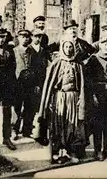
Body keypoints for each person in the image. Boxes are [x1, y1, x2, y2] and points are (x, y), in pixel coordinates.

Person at [37, 34, 87, 164]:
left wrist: (81, 99)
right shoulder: (56, 63)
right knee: (58, 125)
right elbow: (49, 84)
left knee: (72, 125)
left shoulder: (78, 64)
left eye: (71, 46)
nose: (69, 49)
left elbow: (81, 85)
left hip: (73, 98)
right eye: (66, 46)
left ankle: (72, 152)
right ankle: (57, 152)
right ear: (62, 48)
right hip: (59, 98)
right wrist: (49, 101)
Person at [12, 30, 39, 140]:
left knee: (30, 107)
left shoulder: (33, 52)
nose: (25, 39)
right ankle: (14, 129)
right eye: (22, 36)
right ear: (18, 38)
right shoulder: (13, 52)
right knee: (16, 107)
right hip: (17, 84)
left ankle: (27, 130)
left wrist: (37, 84)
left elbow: (39, 69)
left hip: (31, 85)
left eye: (27, 37)